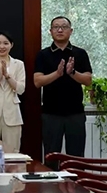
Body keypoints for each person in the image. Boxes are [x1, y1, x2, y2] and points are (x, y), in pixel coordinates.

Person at [34, 16, 92, 160]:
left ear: (71, 31)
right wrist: (57, 74)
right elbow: (37, 81)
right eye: (56, 27)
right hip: (51, 114)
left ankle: (75, 176)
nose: (60, 30)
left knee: (76, 156)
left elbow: (88, 80)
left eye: (64, 27)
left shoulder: (80, 53)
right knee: (51, 156)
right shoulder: (43, 54)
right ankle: (51, 177)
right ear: (50, 31)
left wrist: (72, 72)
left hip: (75, 113)